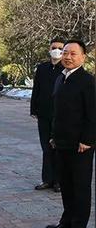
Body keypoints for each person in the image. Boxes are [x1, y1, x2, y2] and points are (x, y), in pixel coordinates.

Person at [46, 40, 96, 228]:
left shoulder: (87, 81)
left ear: (83, 57)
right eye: (65, 52)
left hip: (80, 145)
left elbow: (93, 114)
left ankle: (78, 227)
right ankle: (66, 221)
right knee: (66, 184)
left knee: (80, 186)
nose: (67, 56)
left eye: (73, 54)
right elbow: (56, 112)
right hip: (61, 142)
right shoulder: (60, 78)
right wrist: (53, 135)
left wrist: (88, 139)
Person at [30, 39, 64, 192]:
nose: (56, 50)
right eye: (54, 48)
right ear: (49, 49)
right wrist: (34, 109)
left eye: (60, 48)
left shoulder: (66, 69)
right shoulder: (42, 68)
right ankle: (47, 180)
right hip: (43, 114)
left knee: (57, 147)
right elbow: (36, 89)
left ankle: (58, 181)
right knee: (46, 147)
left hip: (60, 115)